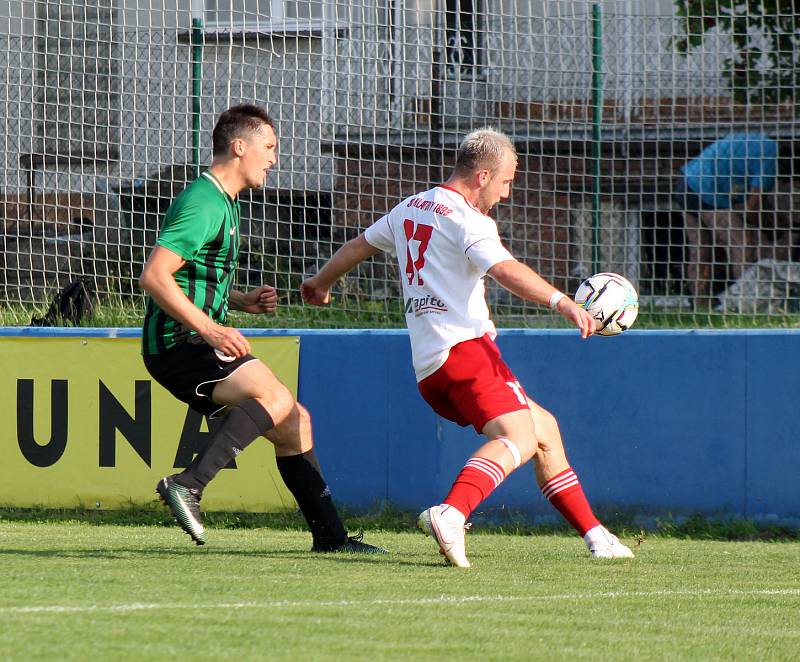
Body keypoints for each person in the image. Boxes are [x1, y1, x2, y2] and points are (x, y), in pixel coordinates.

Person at [301, 127, 634, 567]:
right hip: (466, 352)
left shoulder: (410, 207)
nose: (507, 193)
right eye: (506, 181)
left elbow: (359, 245)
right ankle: (452, 512)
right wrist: (563, 302)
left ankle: (597, 537)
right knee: (517, 436)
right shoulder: (468, 219)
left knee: (545, 431)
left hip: (430, 368)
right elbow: (504, 269)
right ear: (482, 176)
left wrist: (320, 282)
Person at [139, 103, 384, 554]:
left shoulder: (223, 202)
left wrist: (239, 301)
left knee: (294, 421)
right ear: (239, 147)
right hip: (180, 341)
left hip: (190, 336)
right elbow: (155, 276)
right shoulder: (204, 201)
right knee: (273, 398)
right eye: (268, 148)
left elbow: (190, 275)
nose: (274, 159)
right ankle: (189, 485)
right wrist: (212, 330)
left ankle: (331, 538)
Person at [676, 133, 779, 306]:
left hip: (686, 183)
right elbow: (753, 207)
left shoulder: (755, 145)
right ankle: (747, 303)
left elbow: (756, 203)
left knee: (700, 249)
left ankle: (699, 304)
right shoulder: (770, 157)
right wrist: (765, 230)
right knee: (741, 243)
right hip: (707, 189)